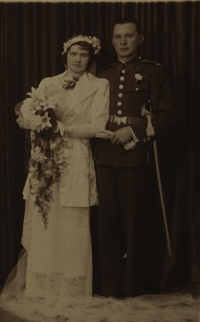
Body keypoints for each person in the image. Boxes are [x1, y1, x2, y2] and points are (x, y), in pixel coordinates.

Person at [0, 35, 109, 320]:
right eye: (73, 54)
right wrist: (38, 125)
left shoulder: (99, 86)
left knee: (73, 223)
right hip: (46, 159)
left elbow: (98, 125)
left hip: (76, 159)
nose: (78, 59)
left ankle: (73, 290)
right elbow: (33, 122)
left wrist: (64, 129)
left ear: (90, 58)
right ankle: (41, 287)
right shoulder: (48, 84)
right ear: (65, 56)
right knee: (46, 220)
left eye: (83, 55)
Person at [94, 18, 177, 297]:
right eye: (118, 37)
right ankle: (109, 288)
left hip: (135, 157)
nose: (123, 42)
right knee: (106, 225)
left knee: (135, 224)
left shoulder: (154, 72)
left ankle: (134, 288)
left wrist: (134, 131)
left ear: (139, 39)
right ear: (113, 39)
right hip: (104, 156)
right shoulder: (102, 74)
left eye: (129, 36)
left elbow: (167, 118)